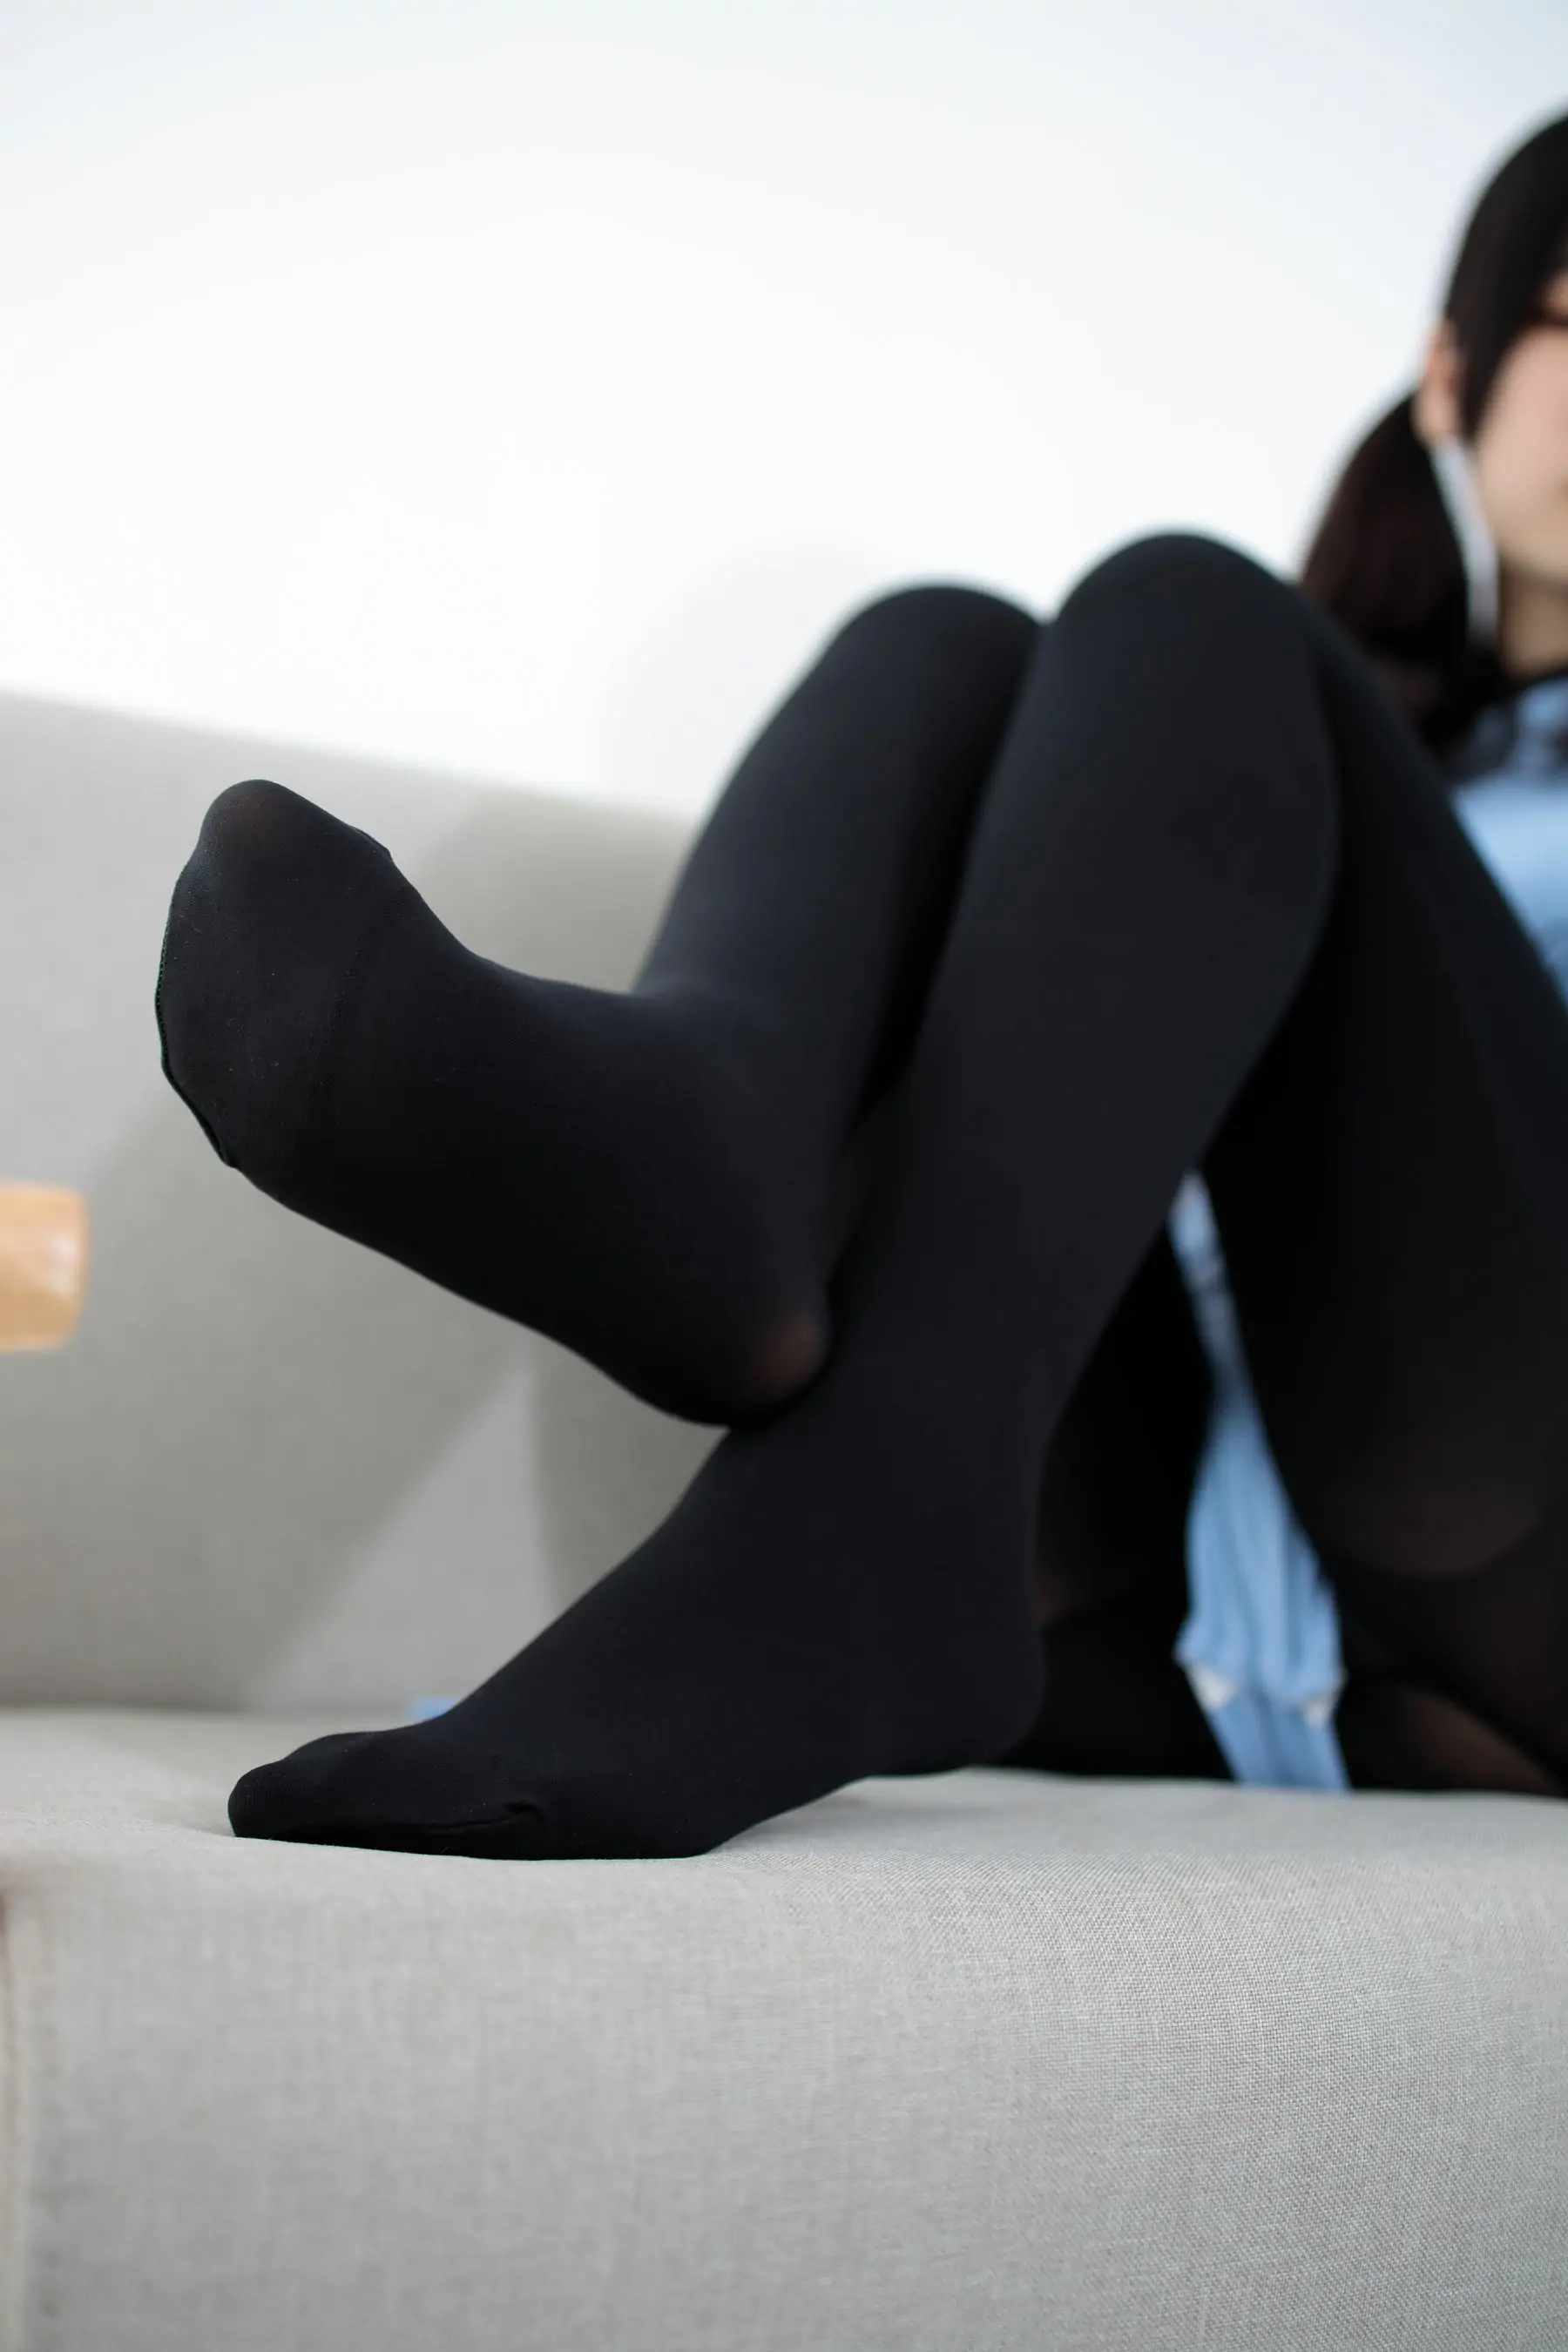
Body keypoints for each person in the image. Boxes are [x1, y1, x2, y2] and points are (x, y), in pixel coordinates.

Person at [154, 111, 1568, 1862]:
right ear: (1450, 373)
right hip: (1120, 1607)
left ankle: (862, 1519)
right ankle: (706, 1159)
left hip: (1509, 1594)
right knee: (952, 648)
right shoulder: (1274, 752)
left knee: (1196, 611)